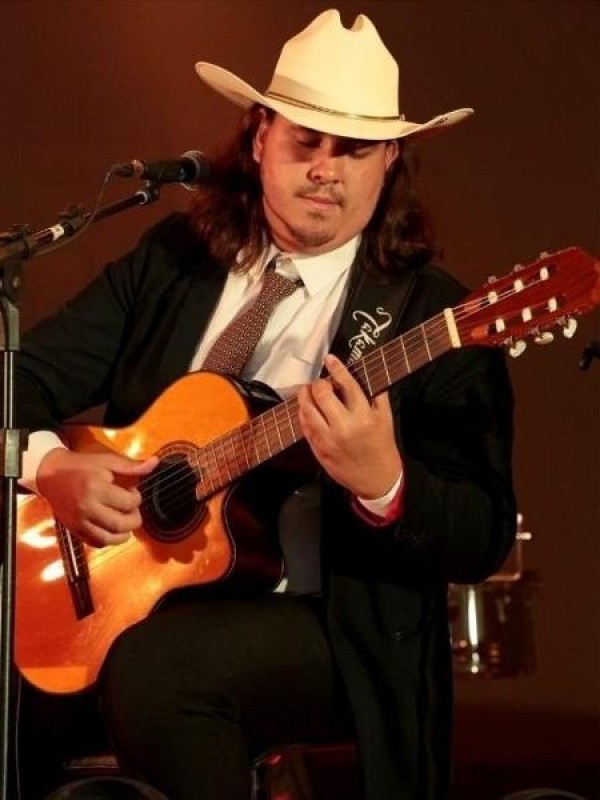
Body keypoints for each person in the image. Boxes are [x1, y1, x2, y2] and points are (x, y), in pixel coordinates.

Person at [15, 9, 516, 800]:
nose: (325, 169)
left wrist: (385, 483)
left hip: (328, 624)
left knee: (160, 668)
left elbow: (481, 533)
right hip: (130, 593)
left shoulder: (434, 317)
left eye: (353, 149)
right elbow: (20, 378)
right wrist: (52, 468)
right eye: (304, 142)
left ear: (390, 160)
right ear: (258, 139)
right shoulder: (175, 261)